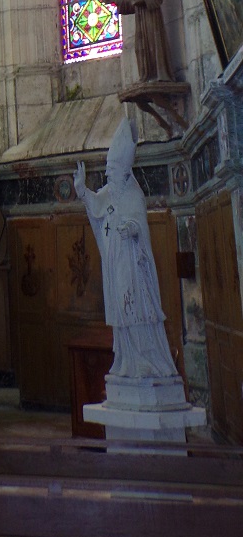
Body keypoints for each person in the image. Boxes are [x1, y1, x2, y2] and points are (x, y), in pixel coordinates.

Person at [74, 116, 178, 379]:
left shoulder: (133, 195)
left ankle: (146, 361)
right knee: (120, 314)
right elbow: (96, 207)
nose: (108, 173)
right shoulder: (110, 190)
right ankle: (125, 360)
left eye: (111, 169)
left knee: (136, 312)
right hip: (115, 266)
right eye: (107, 168)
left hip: (133, 266)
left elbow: (140, 226)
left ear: (124, 171)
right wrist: (82, 190)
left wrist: (133, 229)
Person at [103, 0, 173, 82]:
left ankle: (159, 75)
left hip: (151, 20)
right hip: (141, 23)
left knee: (153, 45)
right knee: (141, 48)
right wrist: (113, 2)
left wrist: (143, 0)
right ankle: (147, 74)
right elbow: (131, 2)